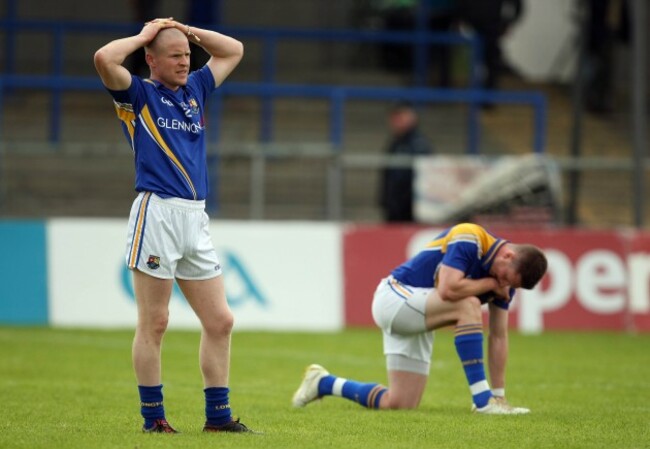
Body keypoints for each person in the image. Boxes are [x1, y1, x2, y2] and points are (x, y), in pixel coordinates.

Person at [94, 18, 255, 433]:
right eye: (175, 55)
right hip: (157, 212)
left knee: (221, 321)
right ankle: (154, 419)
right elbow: (104, 58)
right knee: (156, 321)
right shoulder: (138, 94)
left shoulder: (196, 91)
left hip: (194, 216)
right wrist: (146, 34)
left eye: (187, 55)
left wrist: (186, 30)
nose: (185, 62)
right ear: (151, 59)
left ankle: (218, 419)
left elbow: (233, 48)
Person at [292, 222, 547, 414]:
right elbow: (448, 289)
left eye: (508, 283)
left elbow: (499, 337)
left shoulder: (505, 281)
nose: (503, 285)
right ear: (508, 256)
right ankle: (482, 401)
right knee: (468, 304)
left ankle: (324, 383)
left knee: (400, 404)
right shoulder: (471, 237)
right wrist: (490, 282)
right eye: (505, 277)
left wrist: (501, 395)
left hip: (418, 314)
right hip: (394, 298)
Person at [379, 101, 433, 223]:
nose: (396, 121)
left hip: (409, 210)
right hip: (394, 207)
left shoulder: (419, 144)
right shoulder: (395, 143)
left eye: (400, 116)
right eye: (394, 117)